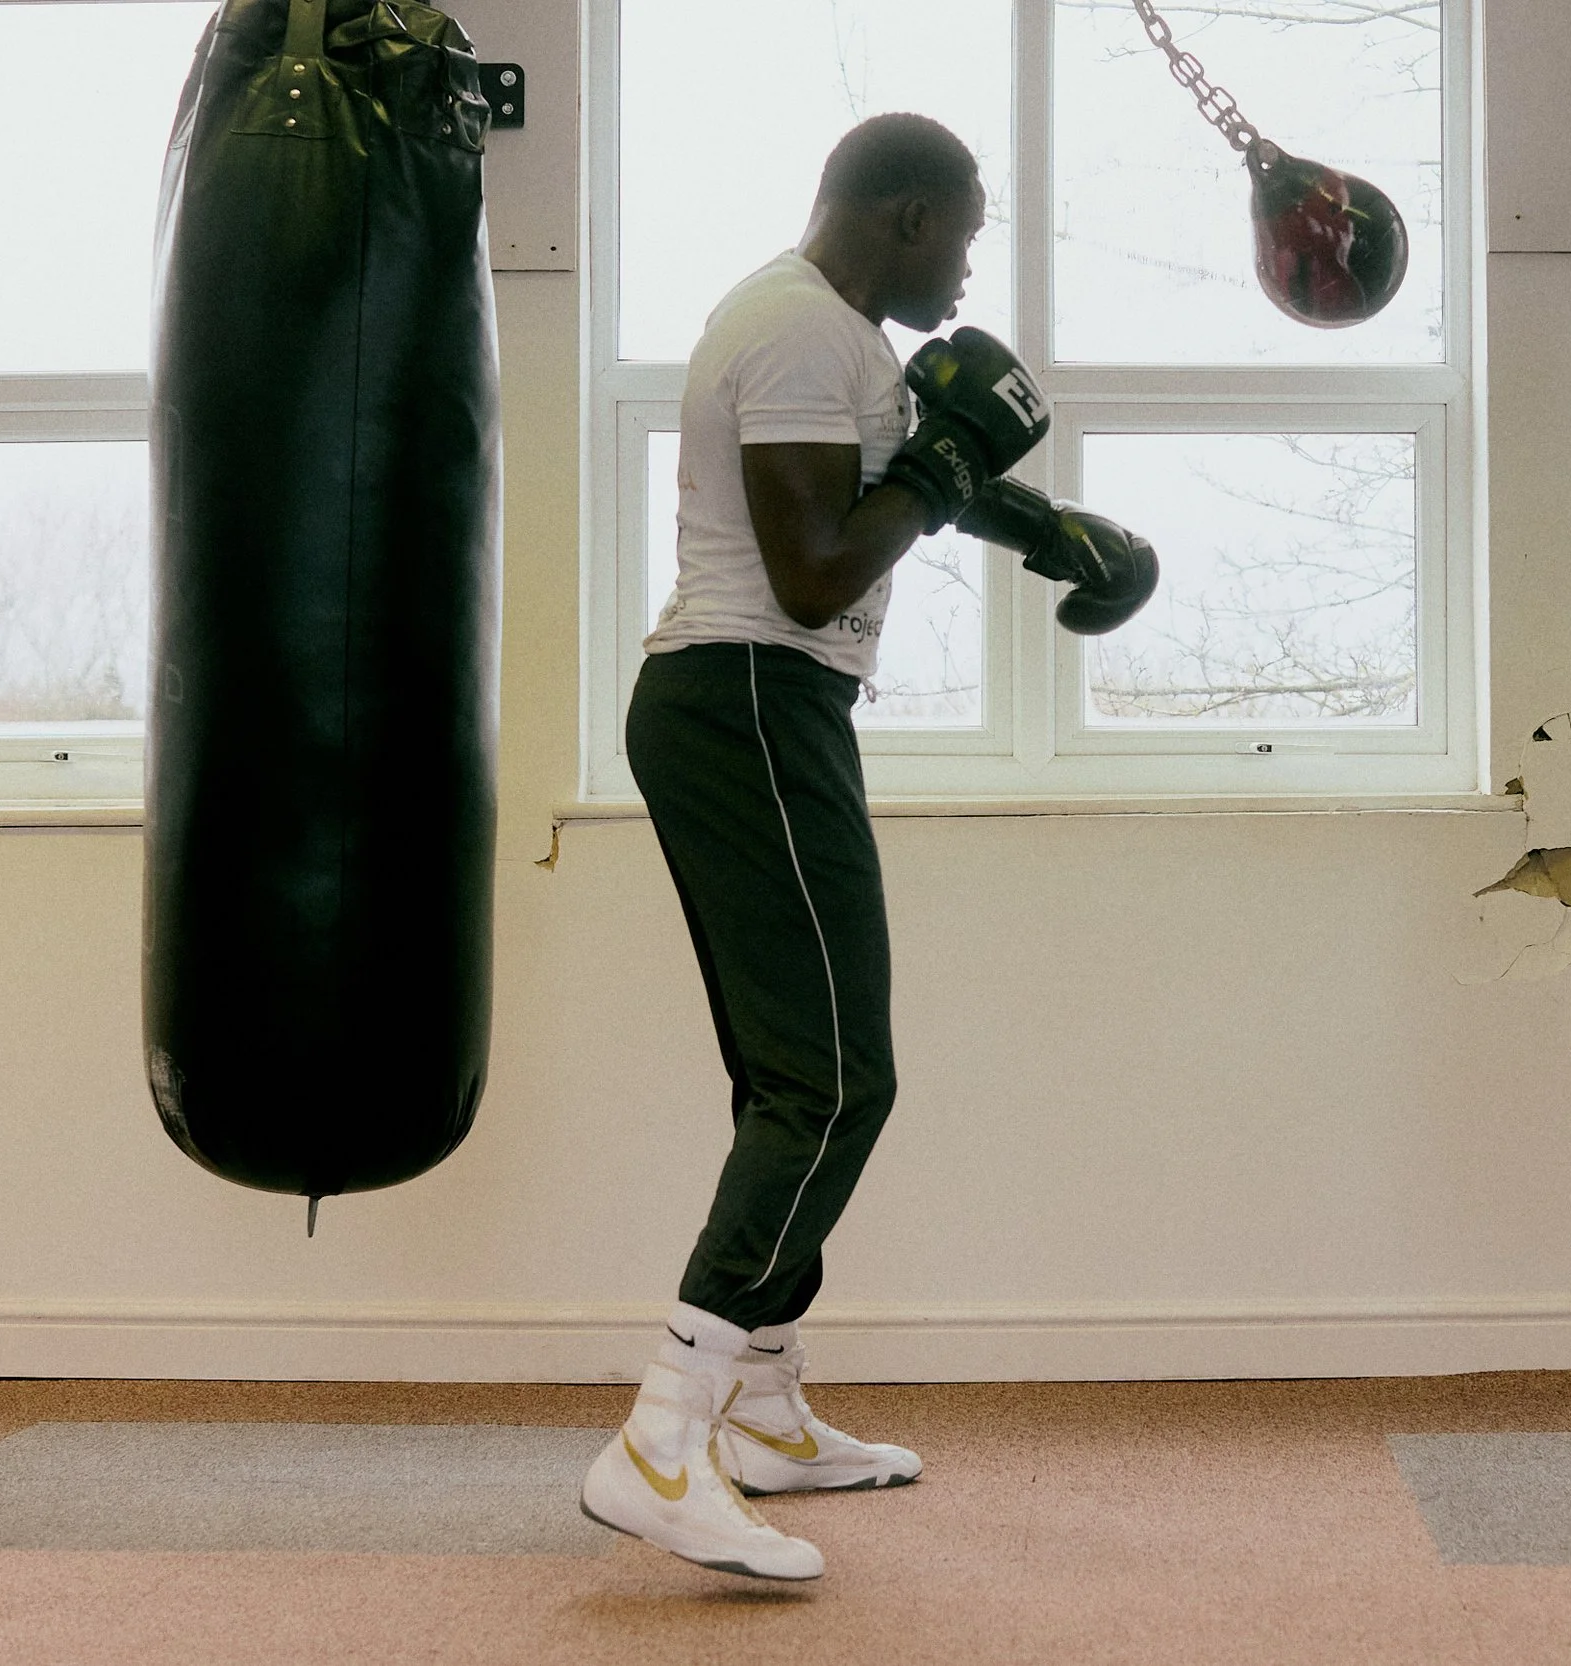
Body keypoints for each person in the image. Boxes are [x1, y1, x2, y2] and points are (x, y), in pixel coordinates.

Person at [579, 112, 1155, 1583]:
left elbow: (917, 483)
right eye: (962, 231)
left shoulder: (838, 338)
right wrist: (952, 461)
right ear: (903, 213)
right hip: (750, 704)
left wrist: (1068, 535)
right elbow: (820, 557)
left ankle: (760, 1406)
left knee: (794, 1071)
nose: (969, 265)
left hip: (760, 708)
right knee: (832, 1079)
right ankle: (661, 1437)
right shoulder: (794, 332)